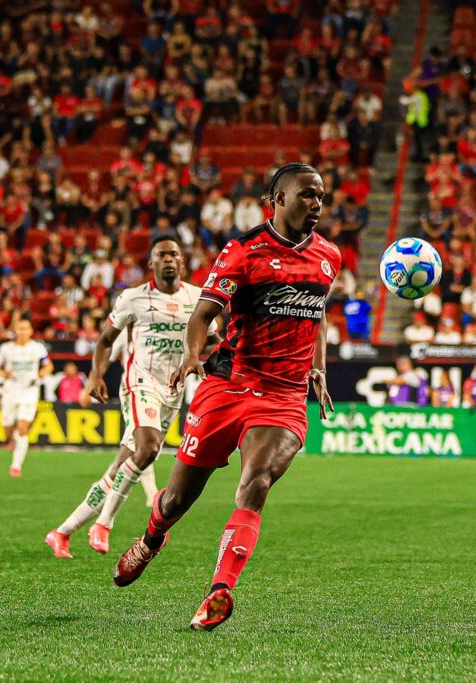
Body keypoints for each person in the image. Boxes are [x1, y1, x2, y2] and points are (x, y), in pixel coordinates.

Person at [111, 163, 340, 632]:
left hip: (284, 396)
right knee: (175, 500)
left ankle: (219, 590)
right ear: (276, 199)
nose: (316, 205)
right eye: (306, 196)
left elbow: (316, 316)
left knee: (255, 483)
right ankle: (152, 538)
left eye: (320, 197)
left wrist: (317, 366)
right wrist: (192, 356)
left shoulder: (329, 256)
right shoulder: (243, 252)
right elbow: (202, 316)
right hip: (229, 384)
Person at [46, 237, 218, 558]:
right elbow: (105, 340)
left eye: (174, 255)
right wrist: (96, 376)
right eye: (161, 255)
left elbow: (213, 339)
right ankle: (104, 523)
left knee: (121, 467)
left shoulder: (198, 298)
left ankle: (62, 532)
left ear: (182, 262)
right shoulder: (133, 298)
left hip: (172, 391)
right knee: (149, 448)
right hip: (139, 382)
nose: (168, 260)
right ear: (151, 263)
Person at [0, 320, 54, 477]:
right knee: (7, 430)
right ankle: (13, 440)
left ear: (31, 331)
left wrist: (40, 374)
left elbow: (48, 366)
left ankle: (16, 466)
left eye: (26, 329)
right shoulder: (6, 349)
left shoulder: (37, 348)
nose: (23, 332)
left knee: (23, 427)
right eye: (20, 329)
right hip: (11, 390)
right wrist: (4, 374)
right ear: (15, 330)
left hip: (29, 390)